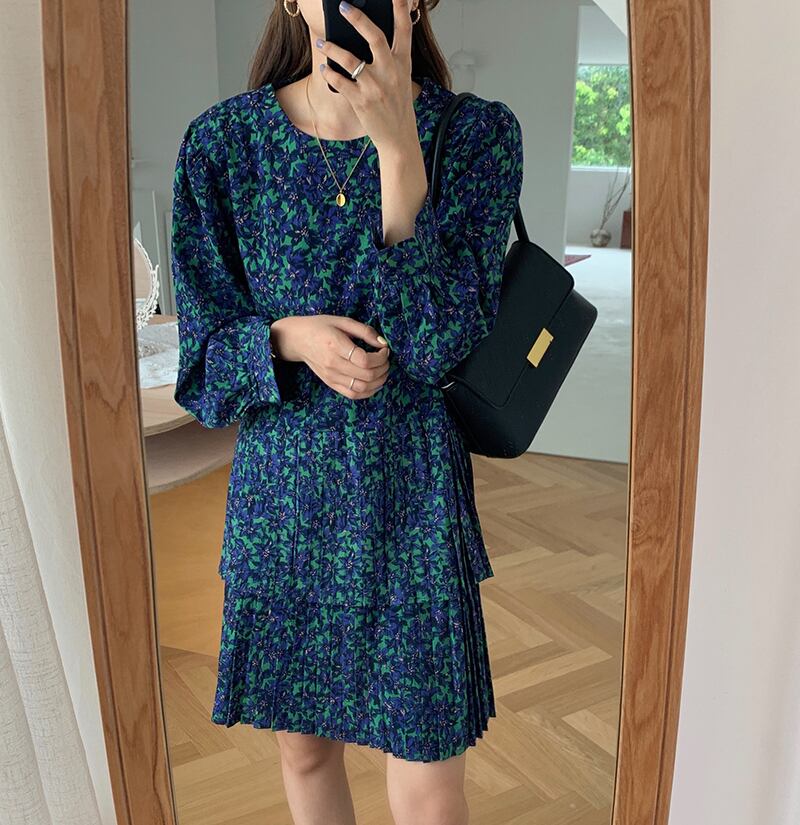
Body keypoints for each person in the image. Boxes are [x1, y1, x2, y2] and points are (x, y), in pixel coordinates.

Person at [170, 0, 523, 822]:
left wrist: (398, 157)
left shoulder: (476, 136)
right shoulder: (224, 146)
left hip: (413, 504)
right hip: (286, 509)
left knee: (429, 783)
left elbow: (442, 346)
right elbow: (203, 370)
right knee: (304, 753)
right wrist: (287, 339)